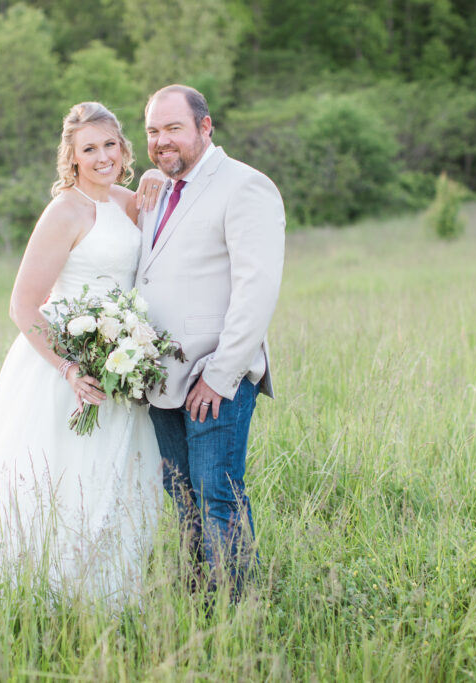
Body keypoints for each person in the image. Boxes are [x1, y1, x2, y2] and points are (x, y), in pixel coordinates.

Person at [0, 102, 165, 606]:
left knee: (114, 475)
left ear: (124, 147)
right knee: (54, 477)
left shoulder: (129, 202)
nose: (102, 156)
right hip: (61, 368)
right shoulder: (65, 210)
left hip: (121, 366)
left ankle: (103, 596)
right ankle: (34, 590)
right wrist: (70, 368)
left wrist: (153, 174)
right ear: (72, 156)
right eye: (89, 148)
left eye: (110, 144)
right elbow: (23, 305)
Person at [135, 85, 285, 599]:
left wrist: (221, 376)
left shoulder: (245, 186)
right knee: (182, 500)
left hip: (212, 377)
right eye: (153, 131)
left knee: (217, 497)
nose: (161, 141)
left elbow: (256, 290)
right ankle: (202, 606)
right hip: (158, 378)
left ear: (205, 126)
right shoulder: (159, 190)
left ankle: (241, 615)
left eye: (173, 128)